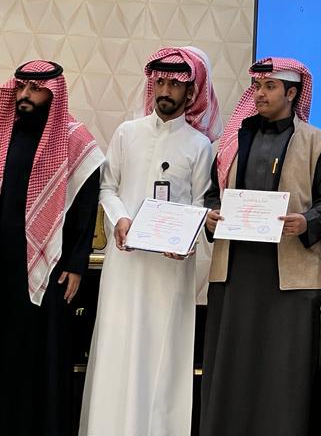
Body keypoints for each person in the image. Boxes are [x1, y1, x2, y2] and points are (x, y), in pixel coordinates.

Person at [80, 47, 220, 436]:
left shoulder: (199, 145)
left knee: (162, 352)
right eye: (160, 82)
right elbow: (108, 188)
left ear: (190, 92)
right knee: (119, 344)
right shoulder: (127, 133)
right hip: (126, 264)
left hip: (169, 268)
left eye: (175, 83)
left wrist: (186, 240)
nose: (165, 90)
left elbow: (200, 204)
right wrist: (120, 219)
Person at [200, 57, 321, 436]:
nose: (260, 94)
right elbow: (212, 195)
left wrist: (306, 221)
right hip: (235, 273)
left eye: (270, 87)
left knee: (282, 371)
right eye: (257, 87)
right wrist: (210, 215)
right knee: (232, 366)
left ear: (292, 93)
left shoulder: (318, 142)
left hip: (289, 279)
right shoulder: (232, 142)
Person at [0, 60, 103, 436]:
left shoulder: (75, 140)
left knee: (42, 354)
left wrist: (76, 263)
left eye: (35, 89)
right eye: (21, 87)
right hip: (4, 262)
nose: (24, 95)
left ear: (53, 94)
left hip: (50, 268)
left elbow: (86, 207)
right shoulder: (5, 131)